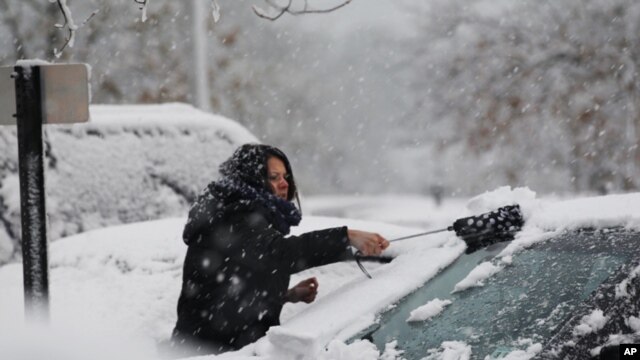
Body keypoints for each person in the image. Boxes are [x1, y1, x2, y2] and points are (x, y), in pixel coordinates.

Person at [170, 144, 389, 356]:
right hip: (209, 353)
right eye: (274, 177)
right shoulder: (236, 216)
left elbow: (235, 285)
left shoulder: (237, 215)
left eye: (285, 177)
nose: (284, 184)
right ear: (251, 179)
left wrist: (284, 296)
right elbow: (280, 253)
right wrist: (346, 236)